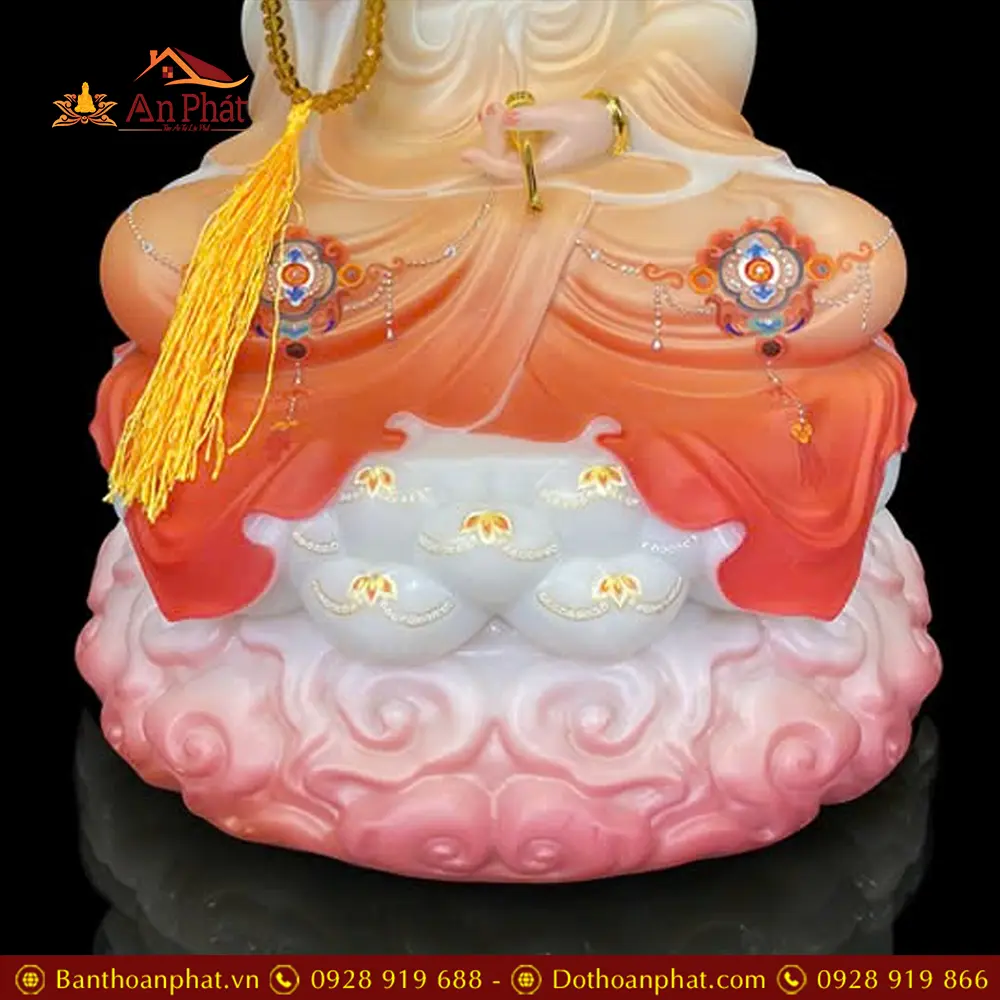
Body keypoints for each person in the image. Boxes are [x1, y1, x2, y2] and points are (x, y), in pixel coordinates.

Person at [95, 0, 911, 625]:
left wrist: (612, 116)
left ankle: (429, 359)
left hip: (611, 188)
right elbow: (299, 73)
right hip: (388, 195)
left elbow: (705, 20)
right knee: (151, 257)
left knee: (853, 258)